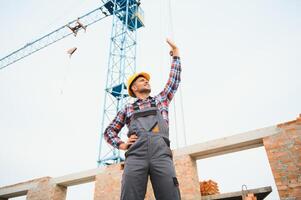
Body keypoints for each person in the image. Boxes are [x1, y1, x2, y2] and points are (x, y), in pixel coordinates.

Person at [104, 38, 181, 200]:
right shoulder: (127, 108)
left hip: (161, 155)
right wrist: (122, 144)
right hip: (135, 157)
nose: (146, 80)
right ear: (134, 88)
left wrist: (176, 55)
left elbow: (174, 81)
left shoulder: (161, 100)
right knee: (130, 196)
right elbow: (109, 131)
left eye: (146, 80)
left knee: (171, 195)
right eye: (141, 80)